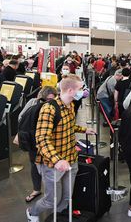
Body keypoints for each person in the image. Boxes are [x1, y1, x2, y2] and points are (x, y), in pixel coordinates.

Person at [26, 74, 95, 222]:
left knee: (66, 197)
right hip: (52, 164)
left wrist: (84, 130)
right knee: (51, 200)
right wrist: (57, 160)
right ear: (70, 90)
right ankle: (32, 212)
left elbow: (68, 126)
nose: (82, 91)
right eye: (80, 89)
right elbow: (42, 139)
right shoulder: (49, 109)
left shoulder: (70, 105)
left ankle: (58, 217)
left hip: (71, 159)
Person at [18, 86, 58, 203]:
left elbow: (20, 118)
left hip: (32, 141)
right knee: (45, 166)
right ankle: (49, 193)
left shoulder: (32, 102)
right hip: (45, 141)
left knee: (35, 165)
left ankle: (37, 190)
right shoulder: (52, 106)